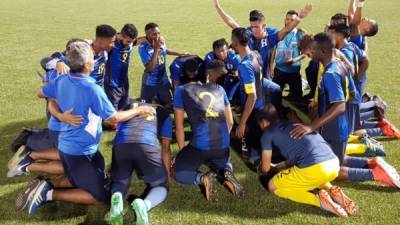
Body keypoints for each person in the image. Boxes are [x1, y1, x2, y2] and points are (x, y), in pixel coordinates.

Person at [16, 41, 156, 215]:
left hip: (70, 148)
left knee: (84, 174)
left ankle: (46, 185)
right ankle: (48, 194)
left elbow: (42, 93)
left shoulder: (61, 80)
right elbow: (113, 118)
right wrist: (139, 109)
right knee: (101, 196)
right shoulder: (92, 89)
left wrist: (59, 114)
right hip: (80, 152)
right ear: (89, 64)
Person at [290, 32, 400, 189]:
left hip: (333, 129)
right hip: (338, 126)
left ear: (323, 51)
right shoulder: (340, 65)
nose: (310, 53)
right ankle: (372, 163)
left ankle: (375, 173)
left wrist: (312, 126)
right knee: (335, 158)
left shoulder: (330, 74)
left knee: (333, 171)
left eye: (313, 50)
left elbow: (340, 105)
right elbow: (352, 93)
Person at [257, 104, 356, 217]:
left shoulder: (267, 135)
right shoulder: (294, 124)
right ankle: (332, 189)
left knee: (273, 187)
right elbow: (299, 156)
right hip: (333, 164)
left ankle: (320, 201)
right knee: (311, 176)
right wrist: (278, 166)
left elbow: (265, 168)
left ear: (263, 122)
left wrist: (266, 171)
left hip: (315, 169)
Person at [173, 60, 244, 202]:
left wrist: (181, 153)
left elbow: (179, 126)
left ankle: (202, 178)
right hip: (222, 145)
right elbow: (230, 122)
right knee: (222, 161)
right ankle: (227, 171)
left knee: (178, 172)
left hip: (199, 146)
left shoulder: (181, 91)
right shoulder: (219, 88)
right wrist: (220, 141)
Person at [212, 0, 312, 78]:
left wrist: (299, 18)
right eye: (252, 26)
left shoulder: (271, 35)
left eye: (256, 27)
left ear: (264, 25)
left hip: (265, 77)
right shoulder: (248, 33)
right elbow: (232, 23)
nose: (253, 30)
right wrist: (218, 7)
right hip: (250, 75)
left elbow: (285, 31)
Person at [110, 103, 172, 225]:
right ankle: (144, 205)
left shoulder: (128, 106)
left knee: (121, 182)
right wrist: (167, 174)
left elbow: (117, 125)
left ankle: (117, 194)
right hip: (146, 144)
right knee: (161, 185)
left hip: (121, 144)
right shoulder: (163, 112)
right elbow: (166, 147)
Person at [44, 24, 117, 86]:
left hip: (95, 93)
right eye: (111, 42)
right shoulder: (80, 50)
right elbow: (50, 58)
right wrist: (58, 62)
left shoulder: (104, 52)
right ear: (101, 40)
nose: (113, 45)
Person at [138, 22, 189, 106]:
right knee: (144, 106)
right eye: (154, 34)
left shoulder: (160, 41)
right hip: (150, 81)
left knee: (168, 103)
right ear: (147, 34)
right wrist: (156, 50)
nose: (158, 36)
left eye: (158, 33)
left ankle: (158, 95)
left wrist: (179, 53)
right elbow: (149, 68)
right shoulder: (143, 48)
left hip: (163, 79)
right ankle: (153, 95)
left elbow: (165, 50)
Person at [271, 10, 306, 98]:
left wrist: (294, 60)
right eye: (288, 19)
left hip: (294, 72)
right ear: (284, 20)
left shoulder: (300, 34)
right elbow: (273, 50)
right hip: (279, 71)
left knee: (297, 99)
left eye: (292, 20)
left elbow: (306, 53)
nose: (289, 22)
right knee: (274, 97)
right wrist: (271, 66)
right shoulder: (279, 33)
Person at [104, 24, 138, 110]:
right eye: (128, 41)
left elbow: (138, 41)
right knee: (112, 112)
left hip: (124, 83)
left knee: (125, 108)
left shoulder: (129, 42)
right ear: (122, 36)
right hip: (113, 85)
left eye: (131, 41)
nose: (130, 44)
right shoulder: (111, 44)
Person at [204, 38, 241, 105]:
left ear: (227, 49)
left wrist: (233, 74)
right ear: (214, 51)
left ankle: (234, 101)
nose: (221, 54)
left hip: (231, 79)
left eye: (223, 51)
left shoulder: (234, 58)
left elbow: (238, 74)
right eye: (218, 51)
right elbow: (208, 75)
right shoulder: (210, 57)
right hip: (216, 78)